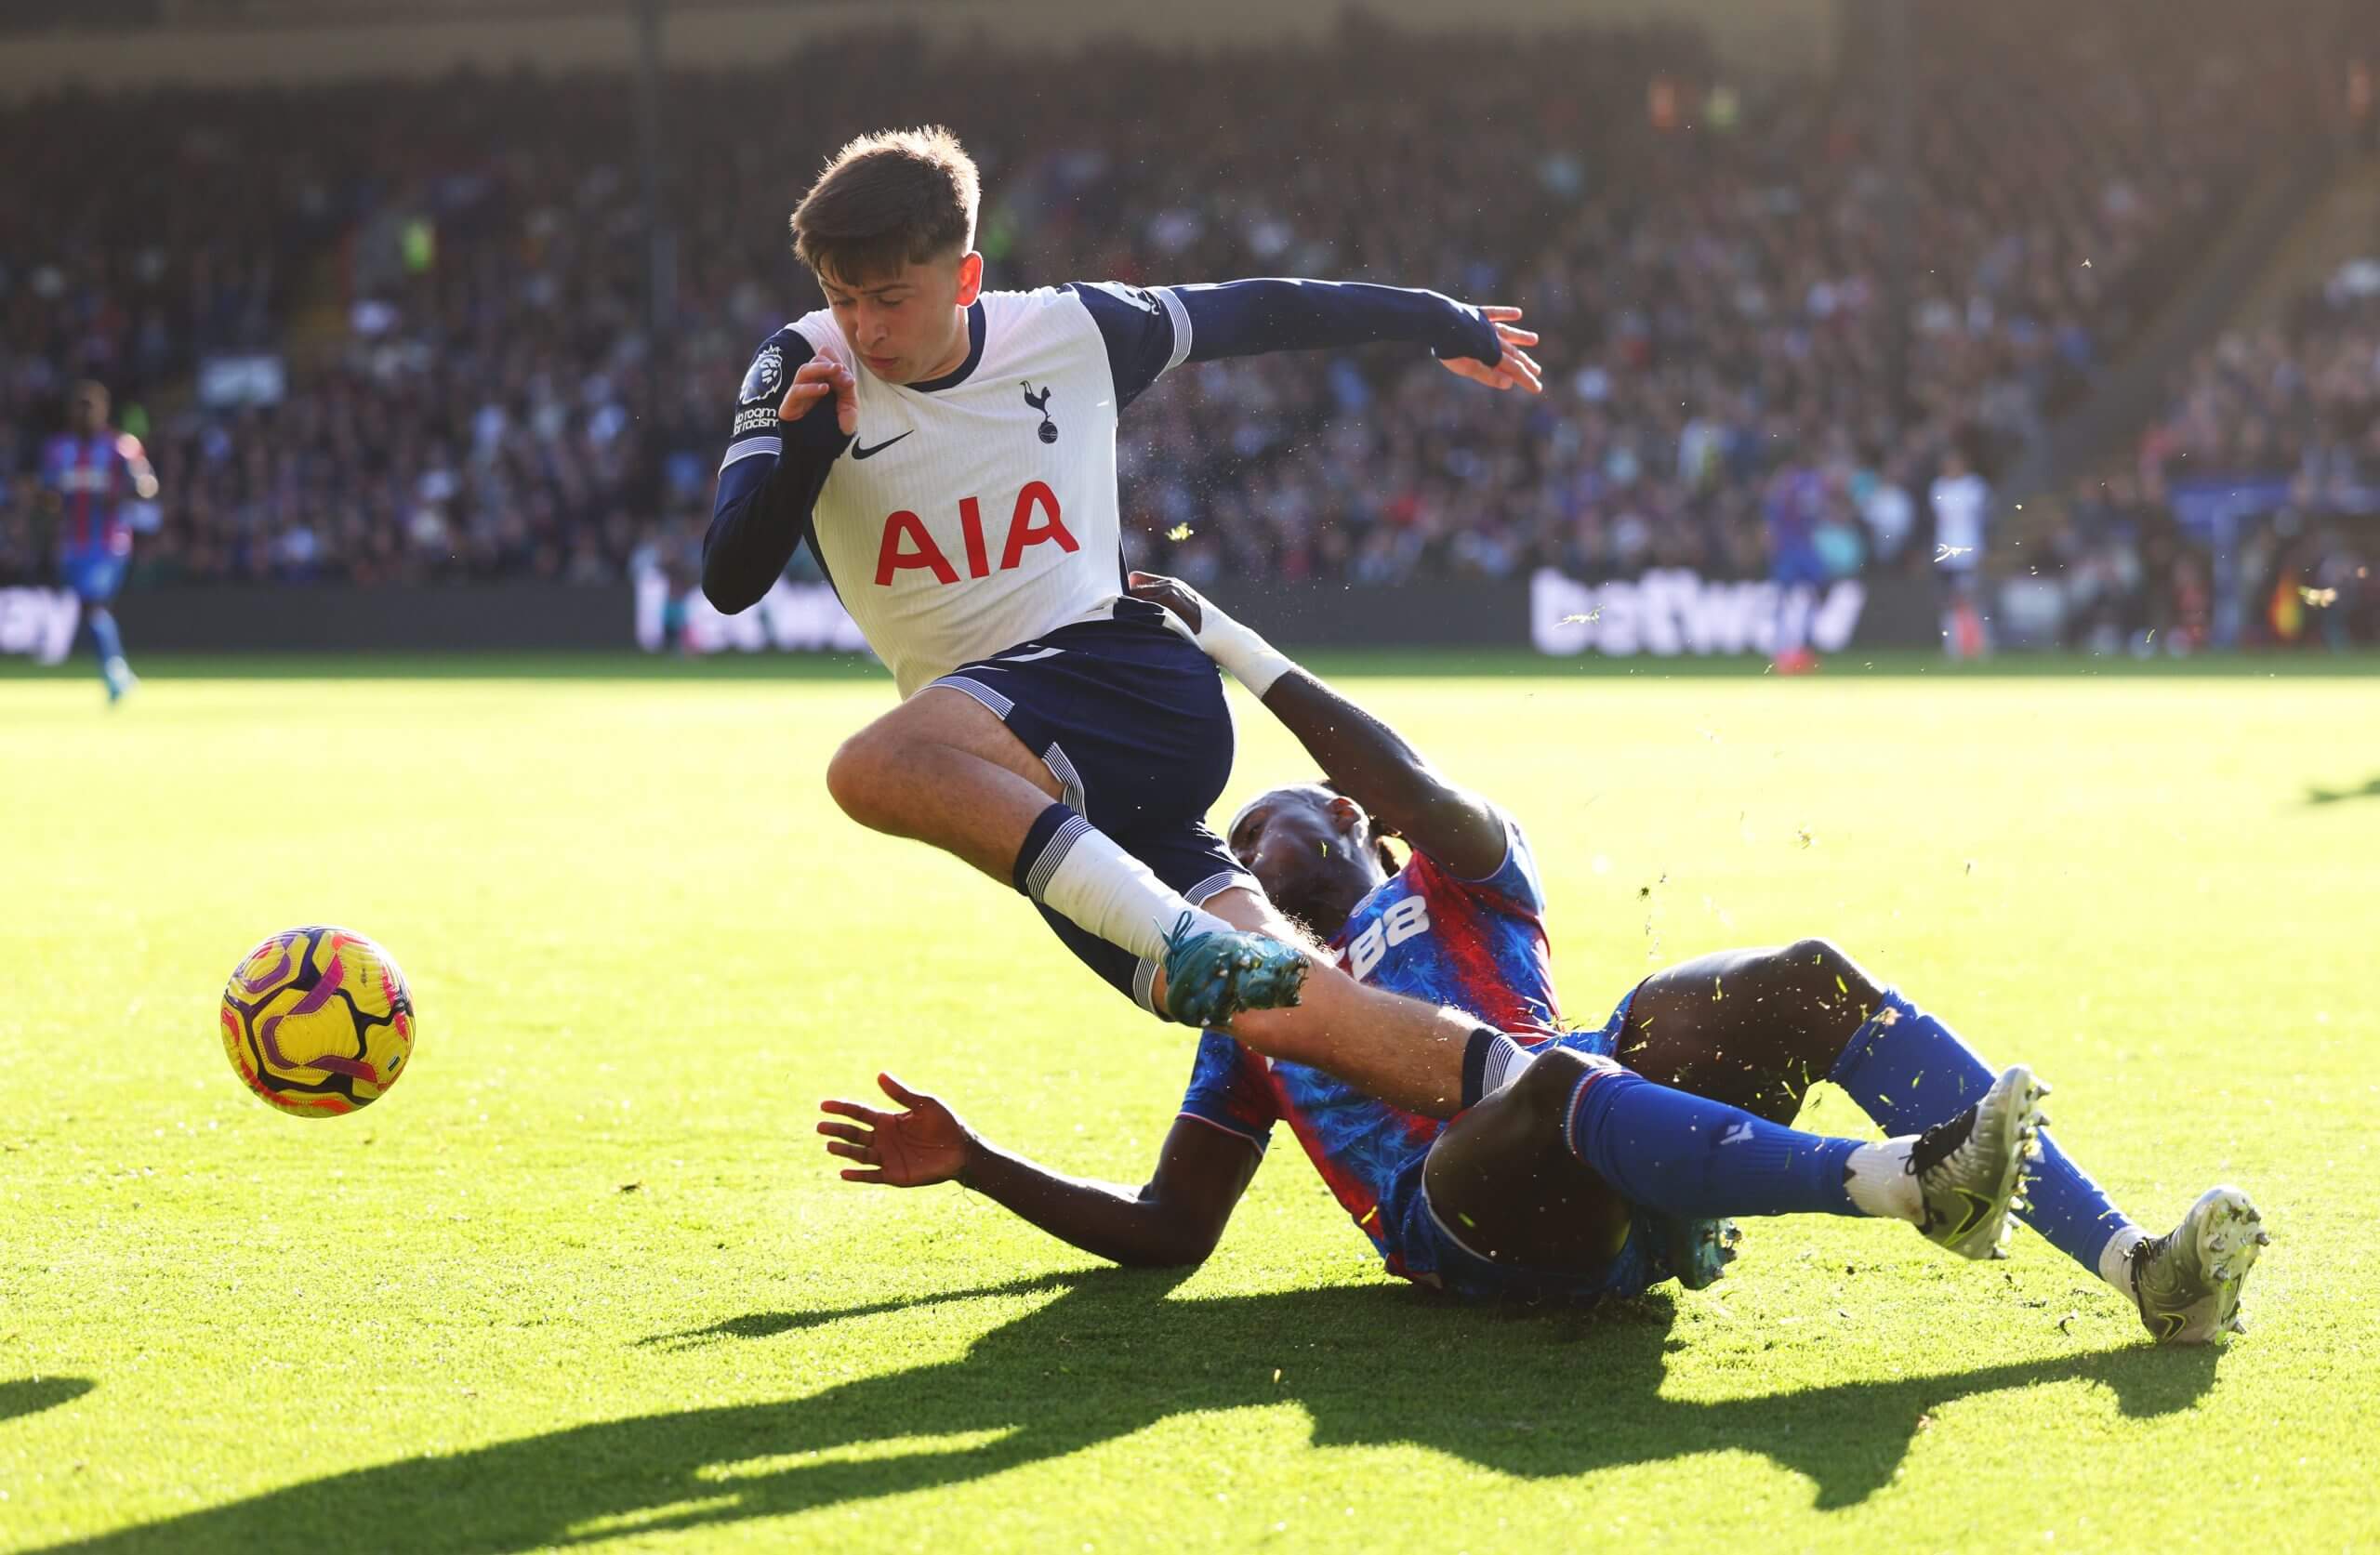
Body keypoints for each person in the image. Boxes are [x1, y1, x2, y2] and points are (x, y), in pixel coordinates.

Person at [815, 574, 2268, 1345]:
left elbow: (1404, 778)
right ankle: (1901, 1182)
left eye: (1275, 812)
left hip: (1624, 1134)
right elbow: (1169, 1231)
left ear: (1353, 821)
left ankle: (2143, 1267)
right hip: (1477, 1227)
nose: (1252, 839)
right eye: (1235, 842)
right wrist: (981, 1162)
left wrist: (1250, 659)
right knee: (1549, 1078)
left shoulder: (1462, 869)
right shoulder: (1253, 1009)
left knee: (1809, 974)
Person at [705, 126, 1543, 1111]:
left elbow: (1258, 309)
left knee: (873, 766)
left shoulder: (1074, 331)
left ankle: (1190, 947)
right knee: (1284, 1002)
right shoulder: (798, 362)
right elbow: (730, 576)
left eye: (891, 297)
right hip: (1036, 790)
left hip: (1124, 681)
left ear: (966, 274)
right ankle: (1557, 1103)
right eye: (845, 298)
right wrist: (806, 449)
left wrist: (1436, 317)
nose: (866, 327)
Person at [39, 381, 156, 703]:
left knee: (93, 605)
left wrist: (126, 491)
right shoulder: (59, 449)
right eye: (80, 409)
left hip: (108, 543)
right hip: (72, 543)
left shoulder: (120, 447)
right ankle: (118, 670)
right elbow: (48, 492)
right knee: (90, 609)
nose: (85, 415)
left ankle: (115, 675)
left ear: (103, 411)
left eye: (91, 409)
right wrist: (51, 501)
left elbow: (147, 485)